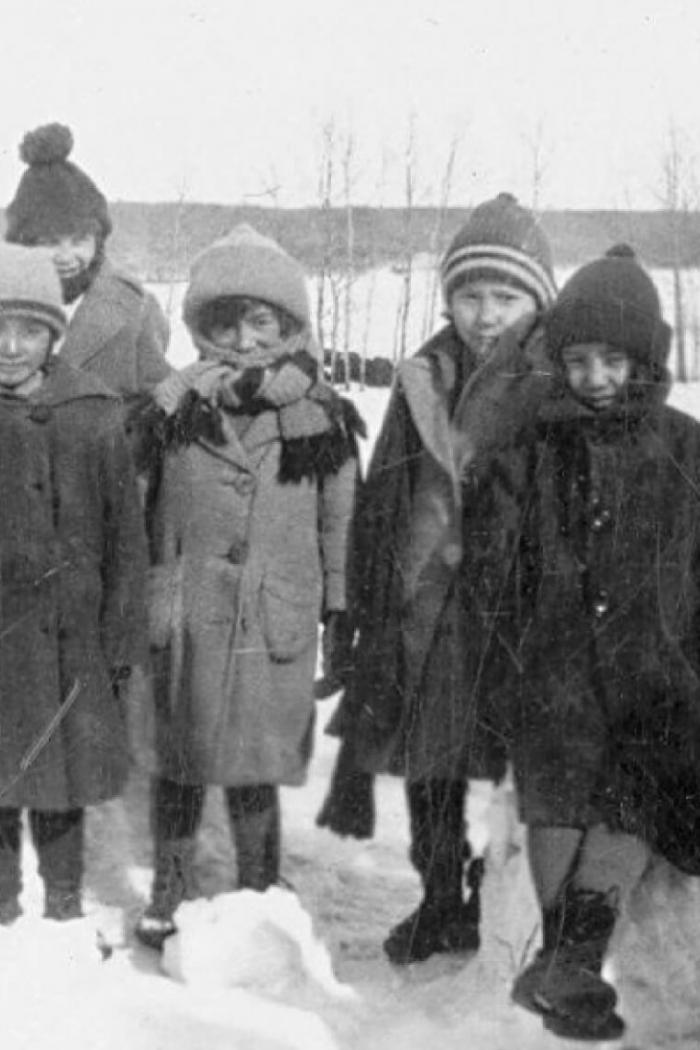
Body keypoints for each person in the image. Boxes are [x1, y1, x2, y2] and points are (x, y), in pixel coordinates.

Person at [317, 193, 557, 965]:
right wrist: (370, 591)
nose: (486, 315)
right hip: (428, 605)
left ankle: (506, 900)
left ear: (538, 301)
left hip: (513, 610)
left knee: (518, 764)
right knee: (432, 760)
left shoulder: (552, 384)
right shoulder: (424, 375)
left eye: (506, 296)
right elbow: (387, 485)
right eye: (470, 295)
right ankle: (439, 895)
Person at [134, 225, 362, 950]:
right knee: (181, 759)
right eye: (226, 321)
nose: (243, 337)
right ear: (201, 328)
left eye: (262, 321)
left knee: (254, 762)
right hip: (187, 613)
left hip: (274, 615)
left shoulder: (318, 415)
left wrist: (340, 606)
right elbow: (136, 506)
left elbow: (339, 520)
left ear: (290, 327)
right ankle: (170, 889)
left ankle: (262, 887)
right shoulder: (170, 410)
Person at [501, 246, 700, 1041]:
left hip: (657, 666)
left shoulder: (687, 448)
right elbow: (501, 558)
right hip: (557, 666)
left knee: (640, 794)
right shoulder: (536, 446)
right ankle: (565, 963)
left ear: (644, 360)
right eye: (576, 361)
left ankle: (568, 965)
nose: (592, 378)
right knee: (557, 789)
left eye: (611, 360)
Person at [0, 243, 147, 923]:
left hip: (71, 634)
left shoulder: (93, 412)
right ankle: (2, 902)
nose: (10, 346)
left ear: (53, 335)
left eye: (29, 330)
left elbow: (125, 537)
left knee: (61, 776)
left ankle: (63, 900)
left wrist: (122, 635)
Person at [4, 122, 170, 451]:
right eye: (50, 242)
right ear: (23, 243)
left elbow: (156, 406)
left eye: (79, 240)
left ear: (98, 239)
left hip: (96, 485)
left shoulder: (134, 309)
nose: (66, 257)